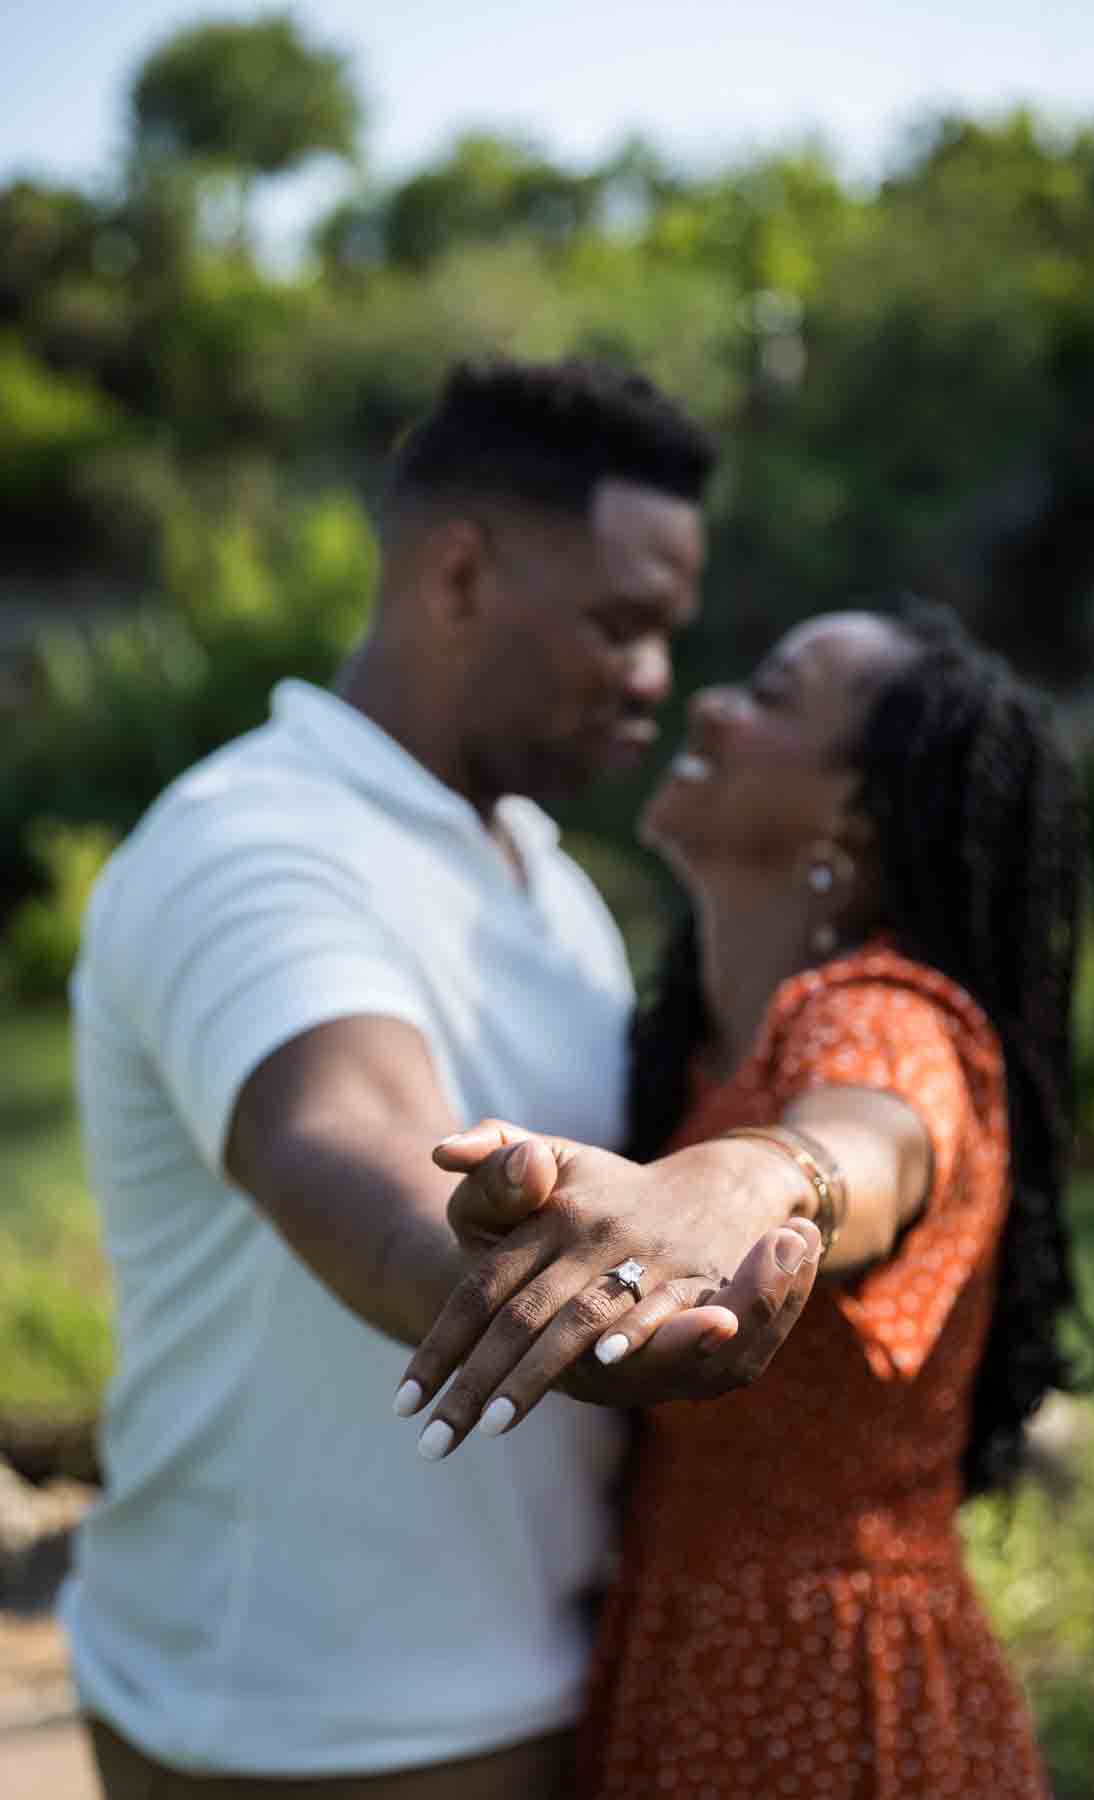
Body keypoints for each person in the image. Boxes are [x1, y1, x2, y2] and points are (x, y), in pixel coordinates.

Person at [64, 357, 828, 1800]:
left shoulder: (544, 875)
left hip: (519, 1689)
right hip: (308, 1733)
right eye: (623, 625)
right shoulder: (253, 844)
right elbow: (339, 1129)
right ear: (463, 574)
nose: (658, 681)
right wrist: (518, 1275)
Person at [398, 602, 1094, 1798]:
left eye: (773, 693)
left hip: (831, 1699)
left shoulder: (888, 1014)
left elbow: (876, 1140)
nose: (710, 703)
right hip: (675, 1658)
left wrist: (757, 1175)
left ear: (854, 814)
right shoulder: (690, 1050)